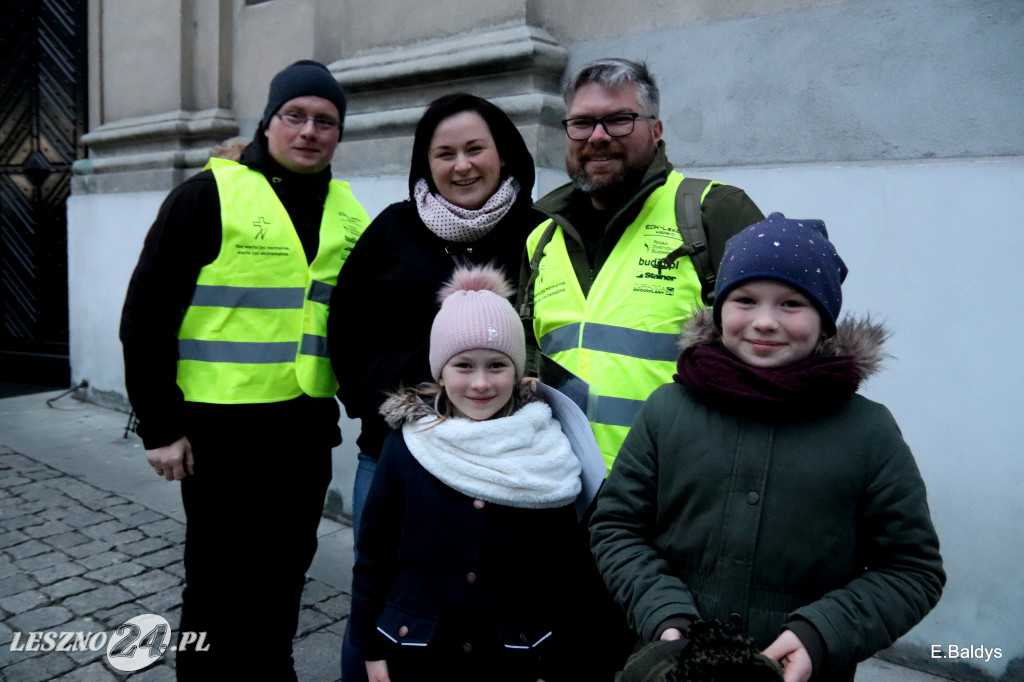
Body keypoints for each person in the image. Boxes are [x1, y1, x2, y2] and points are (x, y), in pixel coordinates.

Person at [590, 213, 945, 682]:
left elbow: (911, 570)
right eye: (745, 300)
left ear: (825, 320)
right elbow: (616, 526)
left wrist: (822, 634)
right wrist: (664, 615)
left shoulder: (869, 432)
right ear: (719, 309)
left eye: (792, 303)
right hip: (670, 667)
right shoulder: (667, 410)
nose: (764, 322)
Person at [119, 60, 369, 680]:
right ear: (270, 121)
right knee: (216, 586)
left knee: (284, 574)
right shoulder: (208, 194)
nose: (309, 131)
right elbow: (146, 315)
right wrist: (159, 425)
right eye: (296, 116)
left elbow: (363, 314)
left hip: (304, 429)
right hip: (218, 436)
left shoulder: (348, 212)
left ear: (339, 134)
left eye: (326, 121)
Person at [327, 93, 537, 681]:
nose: (461, 165)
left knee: (492, 602)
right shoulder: (393, 228)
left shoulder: (537, 232)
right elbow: (345, 321)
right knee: (385, 592)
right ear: (426, 163)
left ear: (505, 154)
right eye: (444, 153)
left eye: (475, 149)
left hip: (503, 456)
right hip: (396, 450)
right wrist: (375, 404)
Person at [518, 58, 765, 471]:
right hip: (562, 487)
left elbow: (774, 353)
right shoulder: (541, 237)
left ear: (656, 130)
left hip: (674, 491)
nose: (597, 136)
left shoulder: (713, 212)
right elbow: (527, 353)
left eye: (619, 120)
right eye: (581, 123)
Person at [349, 265, 586, 682]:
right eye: (463, 366)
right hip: (418, 655)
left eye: (497, 365)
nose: (480, 383)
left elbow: (562, 571)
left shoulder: (546, 452)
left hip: (510, 657)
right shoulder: (407, 447)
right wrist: (370, 650)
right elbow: (375, 554)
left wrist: (558, 658)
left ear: (517, 371)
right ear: (440, 370)